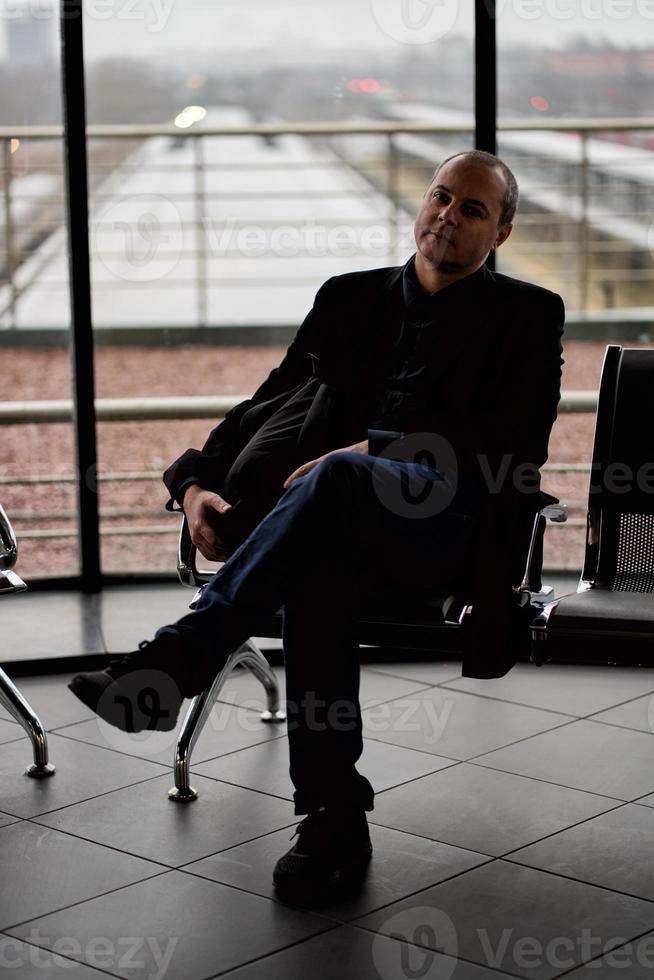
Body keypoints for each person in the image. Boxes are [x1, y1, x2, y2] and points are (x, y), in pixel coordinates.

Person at [68, 150, 565, 905]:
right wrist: (194, 482)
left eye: (472, 209)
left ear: (500, 232)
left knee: (335, 480)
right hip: (336, 526)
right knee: (319, 554)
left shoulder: (527, 315)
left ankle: (180, 659)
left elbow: (517, 453)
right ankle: (331, 817)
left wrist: (380, 451)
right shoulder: (350, 300)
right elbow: (268, 405)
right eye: (441, 197)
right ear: (421, 204)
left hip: (448, 533)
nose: (448, 216)